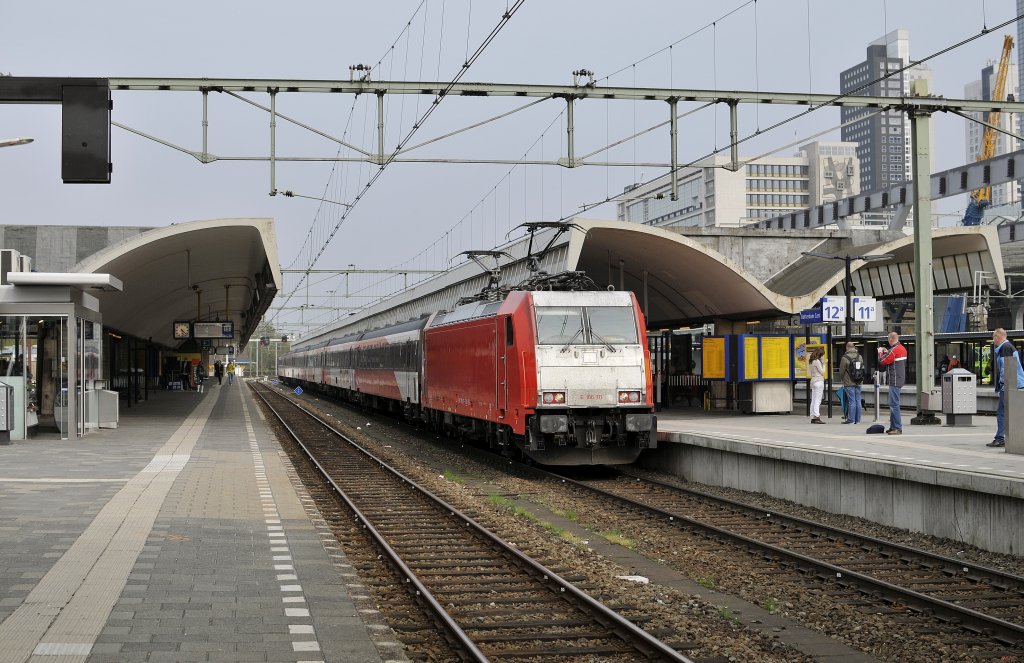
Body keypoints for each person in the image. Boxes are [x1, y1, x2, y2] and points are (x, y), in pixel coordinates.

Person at [988, 328, 1024, 448]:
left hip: (1010, 385)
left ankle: (1000, 438)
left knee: (1002, 412)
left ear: (997, 337)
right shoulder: (1009, 347)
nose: (994, 341)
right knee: (1010, 412)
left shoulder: (1005, 348)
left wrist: (1003, 383)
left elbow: (1005, 368)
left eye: (994, 338)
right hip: (1016, 383)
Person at [878, 331, 907, 434]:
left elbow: (882, 360)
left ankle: (897, 428)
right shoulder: (901, 348)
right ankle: (893, 426)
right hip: (899, 379)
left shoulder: (894, 350)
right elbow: (891, 356)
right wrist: (887, 351)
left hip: (894, 380)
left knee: (894, 405)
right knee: (893, 404)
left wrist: (880, 352)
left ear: (890, 339)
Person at [838, 341, 865, 425]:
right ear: (854, 347)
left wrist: (841, 379)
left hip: (849, 382)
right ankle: (858, 420)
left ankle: (851, 420)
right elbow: (862, 368)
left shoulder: (844, 358)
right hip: (858, 382)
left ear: (847, 348)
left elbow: (842, 371)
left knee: (851, 401)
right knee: (858, 400)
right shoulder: (859, 356)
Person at [808, 347, 826, 424]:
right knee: (817, 400)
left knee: (813, 400)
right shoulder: (817, 361)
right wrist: (824, 364)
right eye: (822, 355)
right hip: (819, 381)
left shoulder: (811, 361)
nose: (822, 356)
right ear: (820, 354)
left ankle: (812, 416)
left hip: (813, 381)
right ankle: (816, 416)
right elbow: (822, 372)